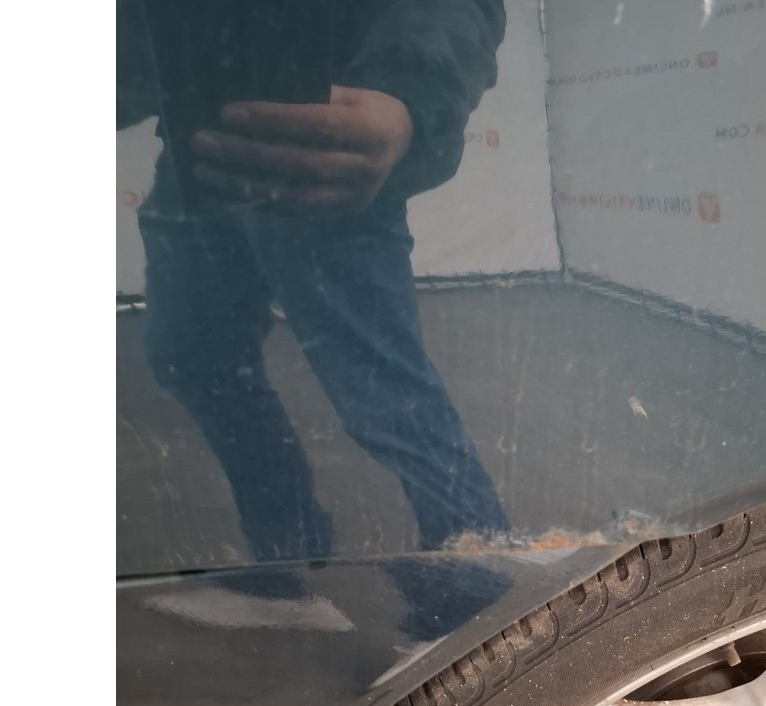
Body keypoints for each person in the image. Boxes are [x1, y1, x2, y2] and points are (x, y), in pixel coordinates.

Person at [117, 0, 511, 561]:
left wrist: (406, 91)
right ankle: (287, 549)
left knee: (386, 398)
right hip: (196, 158)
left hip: (320, 153)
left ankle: (486, 585)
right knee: (192, 359)